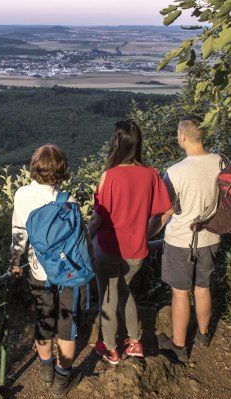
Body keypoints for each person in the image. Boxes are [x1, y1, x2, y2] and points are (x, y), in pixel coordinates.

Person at [88, 119, 173, 365]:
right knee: (124, 292)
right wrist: (145, 235)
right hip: (136, 252)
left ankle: (111, 349)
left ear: (116, 144)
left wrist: (84, 238)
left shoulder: (110, 176)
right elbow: (166, 211)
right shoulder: (151, 175)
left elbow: (96, 220)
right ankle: (135, 343)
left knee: (108, 298)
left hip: (108, 249)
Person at [9, 144, 88, 399]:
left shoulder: (22, 195)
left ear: (34, 168)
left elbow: (19, 233)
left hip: (38, 271)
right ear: (62, 171)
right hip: (68, 273)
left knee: (44, 320)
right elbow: (79, 241)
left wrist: (15, 260)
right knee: (68, 324)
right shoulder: (69, 201)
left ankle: (46, 374)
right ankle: (62, 381)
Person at [147, 115, 222, 362]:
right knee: (203, 288)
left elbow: (164, 212)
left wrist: (145, 237)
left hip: (180, 241)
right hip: (210, 237)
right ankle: (203, 335)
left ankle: (178, 346)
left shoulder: (176, 172)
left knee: (180, 293)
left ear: (183, 137)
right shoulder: (221, 162)